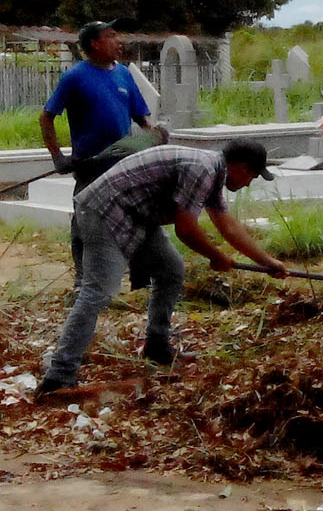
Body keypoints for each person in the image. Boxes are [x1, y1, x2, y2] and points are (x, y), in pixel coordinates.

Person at [36, 141, 290, 394]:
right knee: (97, 293)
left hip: (135, 216)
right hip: (104, 211)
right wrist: (216, 256)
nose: (248, 183)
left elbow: (227, 225)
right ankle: (59, 374)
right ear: (241, 167)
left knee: (170, 269)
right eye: (252, 177)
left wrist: (267, 262)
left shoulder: (211, 170)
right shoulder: (202, 169)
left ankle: (157, 347)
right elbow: (186, 230)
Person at [40, 21, 158, 284]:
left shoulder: (124, 74)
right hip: (90, 165)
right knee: (84, 221)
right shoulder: (75, 77)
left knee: (138, 216)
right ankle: (83, 282)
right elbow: (47, 117)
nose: (119, 42)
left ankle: (141, 279)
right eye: (111, 36)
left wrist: (153, 134)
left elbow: (140, 116)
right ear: (95, 44)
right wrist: (58, 157)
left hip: (124, 161)